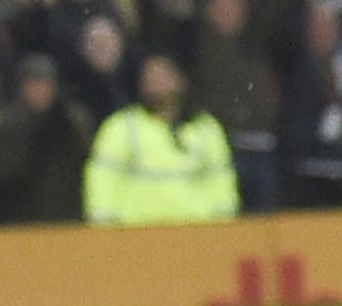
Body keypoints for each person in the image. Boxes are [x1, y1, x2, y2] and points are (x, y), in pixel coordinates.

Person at [84, 50, 239, 223]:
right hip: (137, 231)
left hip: (195, 230)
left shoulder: (206, 128)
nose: (158, 83)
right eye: (151, 77)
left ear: (181, 80)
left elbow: (221, 179)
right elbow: (102, 178)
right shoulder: (121, 127)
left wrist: (224, 221)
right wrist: (103, 223)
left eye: (165, 75)